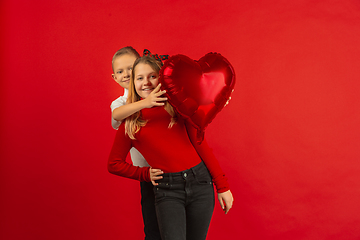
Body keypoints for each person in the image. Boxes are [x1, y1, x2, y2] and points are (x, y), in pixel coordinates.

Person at [108, 56, 234, 240]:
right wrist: (144, 174)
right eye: (140, 78)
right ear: (132, 83)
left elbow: (200, 144)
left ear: (161, 78)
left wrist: (223, 186)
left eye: (152, 76)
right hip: (168, 190)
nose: (146, 82)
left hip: (200, 183)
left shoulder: (177, 107)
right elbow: (114, 163)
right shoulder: (131, 122)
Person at [110, 47, 166, 240]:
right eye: (120, 71)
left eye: (130, 68)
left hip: (174, 170)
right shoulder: (120, 103)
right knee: (153, 228)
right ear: (114, 77)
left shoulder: (156, 90)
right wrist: (145, 103)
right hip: (149, 175)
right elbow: (116, 116)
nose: (126, 74)